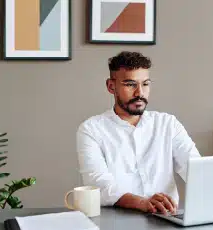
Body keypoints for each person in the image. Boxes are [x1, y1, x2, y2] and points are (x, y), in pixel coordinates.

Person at [76, 51, 201, 215]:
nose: (140, 93)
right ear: (111, 86)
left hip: (166, 220)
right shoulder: (91, 129)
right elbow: (98, 184)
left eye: (145, 84)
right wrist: (142, 202)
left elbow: (196, 170)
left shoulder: (168, 124)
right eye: (130, 84)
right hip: (116, 220)